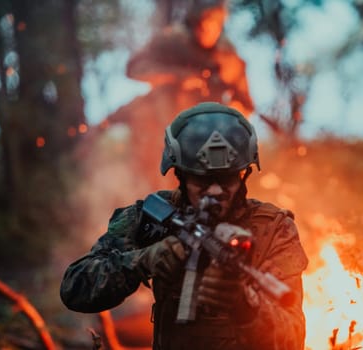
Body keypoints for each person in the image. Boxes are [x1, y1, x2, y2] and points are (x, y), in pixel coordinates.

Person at [60, 102, 309, 350]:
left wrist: (247, 308)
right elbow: (75, 289)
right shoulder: (150, 216)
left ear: (243, 174)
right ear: (179, 173)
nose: (215, 190)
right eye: (201, 179)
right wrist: (142, 261)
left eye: (226, 178)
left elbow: (293, 339)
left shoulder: (273, 229)